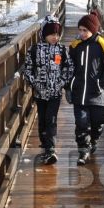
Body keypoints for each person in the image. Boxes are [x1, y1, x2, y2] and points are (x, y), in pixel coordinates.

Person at [23, 15, 73, 164]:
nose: (55, 37)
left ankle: (51, 149)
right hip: (40, 92)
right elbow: (28, 68)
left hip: (55, 93)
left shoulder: (62, 50)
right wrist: (34, 82)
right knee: (42, 120)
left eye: (57, 34)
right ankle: (45, 145)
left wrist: (62, 81)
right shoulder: (34, 50)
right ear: (44, 34)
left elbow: (68, 67)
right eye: (51, 34)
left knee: (51, 120)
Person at [67, 11, 104, 165]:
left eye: (85, 30)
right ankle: (83, 150)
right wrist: (68, 87)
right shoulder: (75, 46)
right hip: (79, 92)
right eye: (79, 30)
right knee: (81, 122)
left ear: (93, 30)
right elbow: (68, 68)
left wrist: (101, 84)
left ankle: (93, 140)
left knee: (97, 122)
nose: (81, 33)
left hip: (97, 92)